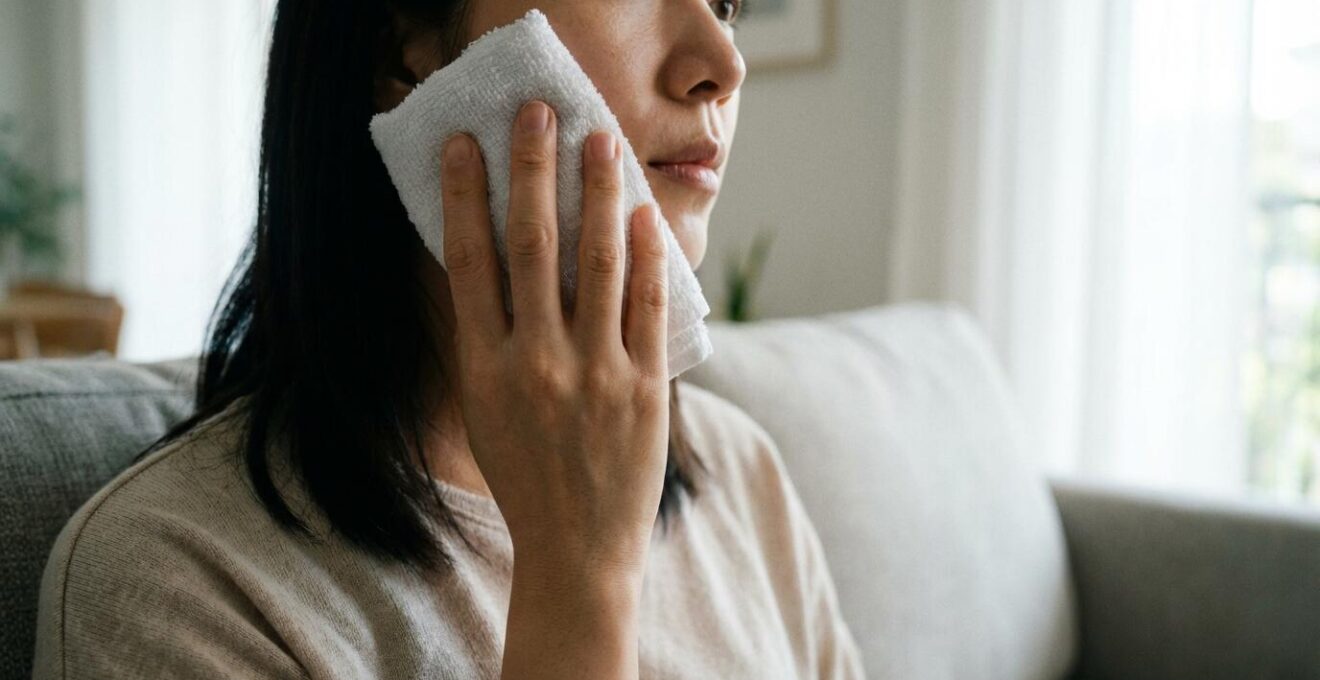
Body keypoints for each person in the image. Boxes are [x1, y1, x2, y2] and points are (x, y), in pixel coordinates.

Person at [32, 1, 866, 678]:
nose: (723, 59)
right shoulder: (173, 582)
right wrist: (580, 584)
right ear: (407, 51)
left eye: (727, 2)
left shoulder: (742, 477)